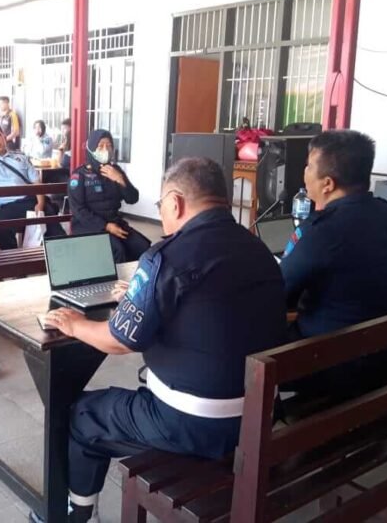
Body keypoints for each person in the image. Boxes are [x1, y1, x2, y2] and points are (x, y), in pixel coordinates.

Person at [30, 158, 287, 523]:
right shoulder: (257, 248)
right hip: (258, 416)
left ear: (176, 202)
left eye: (161, 205)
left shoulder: (168, 256)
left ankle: (76, 513)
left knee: (84, 415)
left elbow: (118, 340)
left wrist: (75, 324)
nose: (162, 213)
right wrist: (139, 296)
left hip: (191, 423)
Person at [280, 130, 387, 399]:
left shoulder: (322, 231)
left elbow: (280, 292)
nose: (305, 172)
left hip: (331, 364)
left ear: (327, 184)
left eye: (308, 166)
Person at [0, 123, 66, 250]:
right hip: (8, 206)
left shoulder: (21, 157)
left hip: (30, 201)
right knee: (2, 229)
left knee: (55, 230)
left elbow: (36, 182)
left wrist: (40, 204)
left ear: (4, 137)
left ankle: (59, 255)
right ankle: (13, 260)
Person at [68, 129, 149, 263]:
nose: (105, 150)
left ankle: (134, 277)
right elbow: (78, 210)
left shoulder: (115, 171)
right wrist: (106, 226)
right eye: (100, 146)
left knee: (143, 247)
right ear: (91, 148)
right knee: (117, 250)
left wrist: (120, 180)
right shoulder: (79, 175)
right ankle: (116, 278)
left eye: (109, 146)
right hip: (88, 227)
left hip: (115, 222)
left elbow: (133, 199)